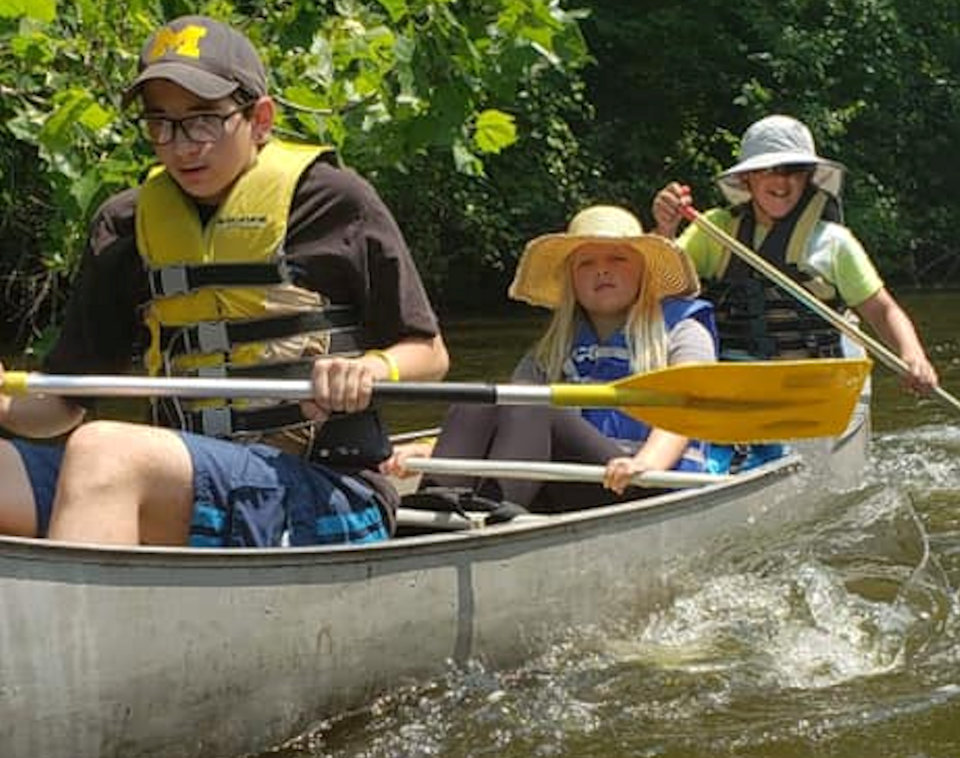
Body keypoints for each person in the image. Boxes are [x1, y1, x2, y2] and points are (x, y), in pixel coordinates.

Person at [0, 15, 448, 547]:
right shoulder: (123, 225)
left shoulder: (335, 202)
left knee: (104, 451)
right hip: (183, 480)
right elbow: (64, 404)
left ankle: (80, 628)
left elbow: (429, 351)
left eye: (204, 120)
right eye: (160, 123)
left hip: (326, 491)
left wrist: (373, 367)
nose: (182, 145)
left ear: (260, 119)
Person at [381, 205, 718, 513]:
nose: (602, 271)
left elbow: (687, 403)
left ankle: (495, 514)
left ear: (643, 272)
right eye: (586, 263)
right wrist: (432, 451)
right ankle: (435, 507)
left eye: (618, 259)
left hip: (650, 486)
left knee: (534, 404)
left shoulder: (682, 329)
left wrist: (649, 463)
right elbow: (503, 415)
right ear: (572, 279)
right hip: (582, 482)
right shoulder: (553, 347)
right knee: (481, 400)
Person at [652, 114, 938, 393]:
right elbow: (656, 286)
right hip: (735, 386)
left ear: (808, 178)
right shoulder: (714, 229)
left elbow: (881, 309)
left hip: (816, 389)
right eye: (768, 171)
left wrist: (912, 354)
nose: (781, 182)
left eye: (793, 171)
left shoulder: (834, 242)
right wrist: (665, 229)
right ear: (746, 179)